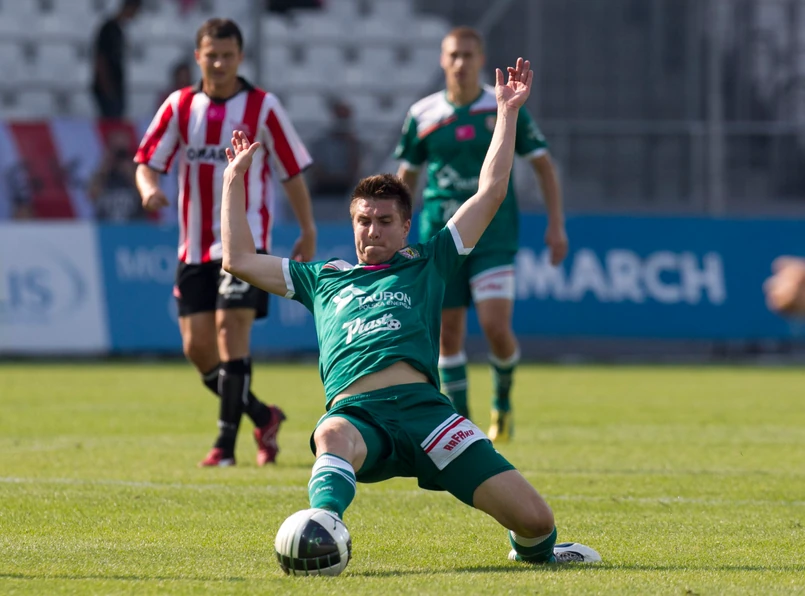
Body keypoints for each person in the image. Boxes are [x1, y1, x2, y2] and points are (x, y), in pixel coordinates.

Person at [221, 57, 600, 564]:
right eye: (363, 220)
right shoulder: (323, 278)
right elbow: (239, 259)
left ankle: (536, 554)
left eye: (384, 221)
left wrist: (507, 114)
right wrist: (233, 180)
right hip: (359, 416)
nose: (372, 230)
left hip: (428, 416)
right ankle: (324, 525)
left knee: (537, 523)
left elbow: (491, 193)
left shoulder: (429, 260)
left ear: (405, 227)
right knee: (329, 432)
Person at [134, 18, 317, 467]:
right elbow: (147, 162)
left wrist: (308, 228)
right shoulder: (179, 105)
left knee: (229, 329)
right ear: (198, 57)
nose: (219, 63)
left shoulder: (263, 107)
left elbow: (291, 171)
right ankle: (263, 415)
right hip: (193, 247)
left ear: (241, 57)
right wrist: (148, 189)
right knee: (197, 348)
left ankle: (224, 448)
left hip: (244, 246)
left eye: (227, 55)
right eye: (211, 55)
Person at [395, 27, 568, 443]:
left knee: (495, 326)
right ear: (442, 60)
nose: (460, 63)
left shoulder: (504, 104)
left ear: (481, 59)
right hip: (441, 237)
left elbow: (543, 165)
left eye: (468, 55)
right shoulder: (423, 114)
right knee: (448, 334)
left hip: (493, 236)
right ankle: (463, 425)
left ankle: (502, 402)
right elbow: (407, 177)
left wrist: (556, 224)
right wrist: (397, 232)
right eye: (453, 55)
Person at [91, 0, 142, 119]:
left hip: (115, 86)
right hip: (108, 87)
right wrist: (106, 86)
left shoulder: (119, 30)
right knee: (111, 122)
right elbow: (100, 58)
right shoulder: (108, 29)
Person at [89, 129, 146, 222]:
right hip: (106, 225)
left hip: (134, 225)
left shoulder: (138, 169)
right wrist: (106, 166)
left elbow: (147, 197)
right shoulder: (104, 171)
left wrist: (130, 173)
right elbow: (92, 194)